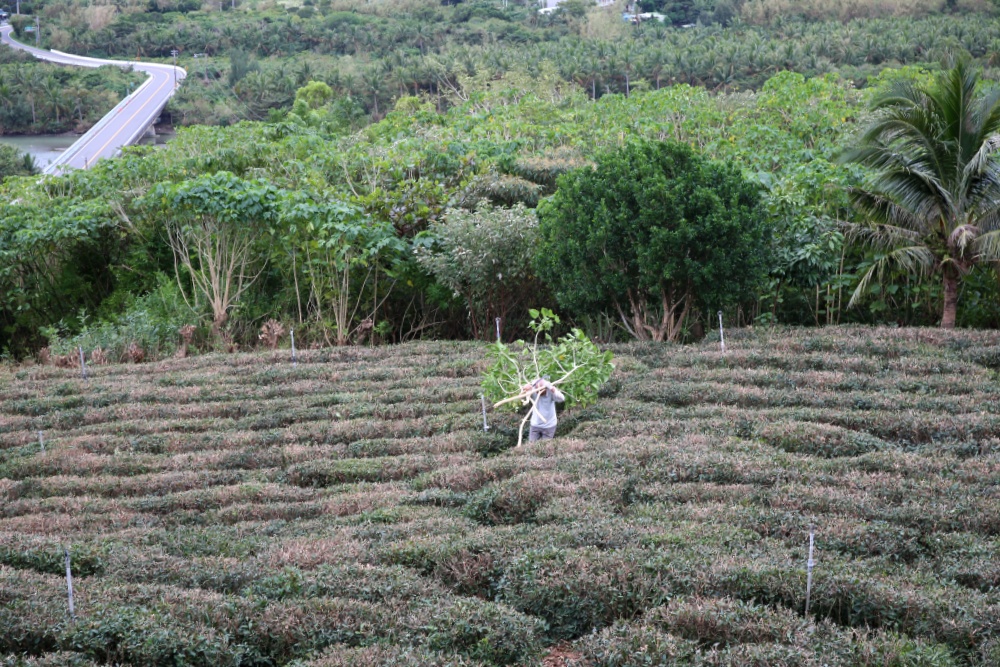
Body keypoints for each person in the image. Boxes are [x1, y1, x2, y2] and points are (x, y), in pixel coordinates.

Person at [523, 378, 565, 443]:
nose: (539, 392)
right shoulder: (533, 391)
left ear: (546, 389)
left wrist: (552, 389)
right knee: (531, 446)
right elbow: (522, 396)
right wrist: (525, 389)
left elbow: (562, 398)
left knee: (545, 447)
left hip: (549, 425)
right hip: (535, 424)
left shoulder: (550, 392)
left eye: (541, 390)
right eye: (537, 390)